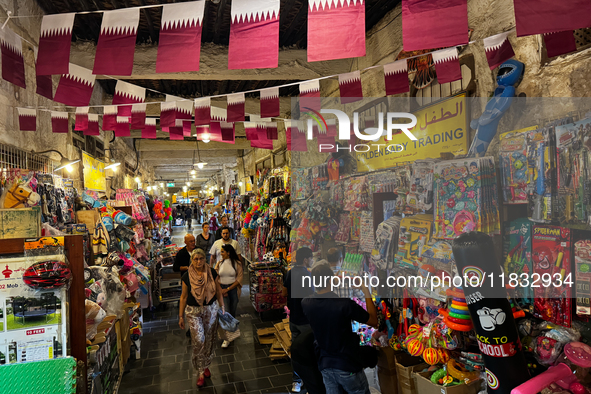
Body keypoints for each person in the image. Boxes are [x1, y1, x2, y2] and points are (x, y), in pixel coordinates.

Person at [302, 264, 378, 394]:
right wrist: (365, 289)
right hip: (346, 364)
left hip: (324, 364)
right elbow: (373, 321)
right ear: (331, 280)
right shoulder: (345, 305)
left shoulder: (306, 303)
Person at [179, 249, 225, 388]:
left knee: (210, 340)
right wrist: (180, 316)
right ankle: (199, 371)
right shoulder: (187, 276)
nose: (198, 262)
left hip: (210, 309)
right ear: (191, 260)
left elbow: (218, 290)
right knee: (199, 340)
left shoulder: (212, 272)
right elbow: (184, 297)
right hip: (193, 311)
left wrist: (222, 307)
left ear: (205, 259)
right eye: (195, 259)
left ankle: (206, 365)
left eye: (201, 259)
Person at [282, 247, 314, 393]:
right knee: (309, 352)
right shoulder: (308, 275)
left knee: (296, 350)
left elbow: (284, 292)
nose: (312, 260)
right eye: (311, 258)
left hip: (293, 318)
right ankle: (309, 383)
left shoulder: (290, 272)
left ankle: (296, 381)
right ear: (306, 259)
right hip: (306, 321)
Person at [215, 244, 243, 348]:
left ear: (228, 253)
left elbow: (239, 278)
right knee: (225, 312)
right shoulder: (219, 263)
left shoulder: (237, 263)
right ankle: (227, 338)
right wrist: (221, 290)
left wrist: (228, 289)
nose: (221, 254)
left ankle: (232, 332)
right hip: (222, 290)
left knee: (232, 311)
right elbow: (216, 277)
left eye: (222, 252)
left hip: (233, 290)